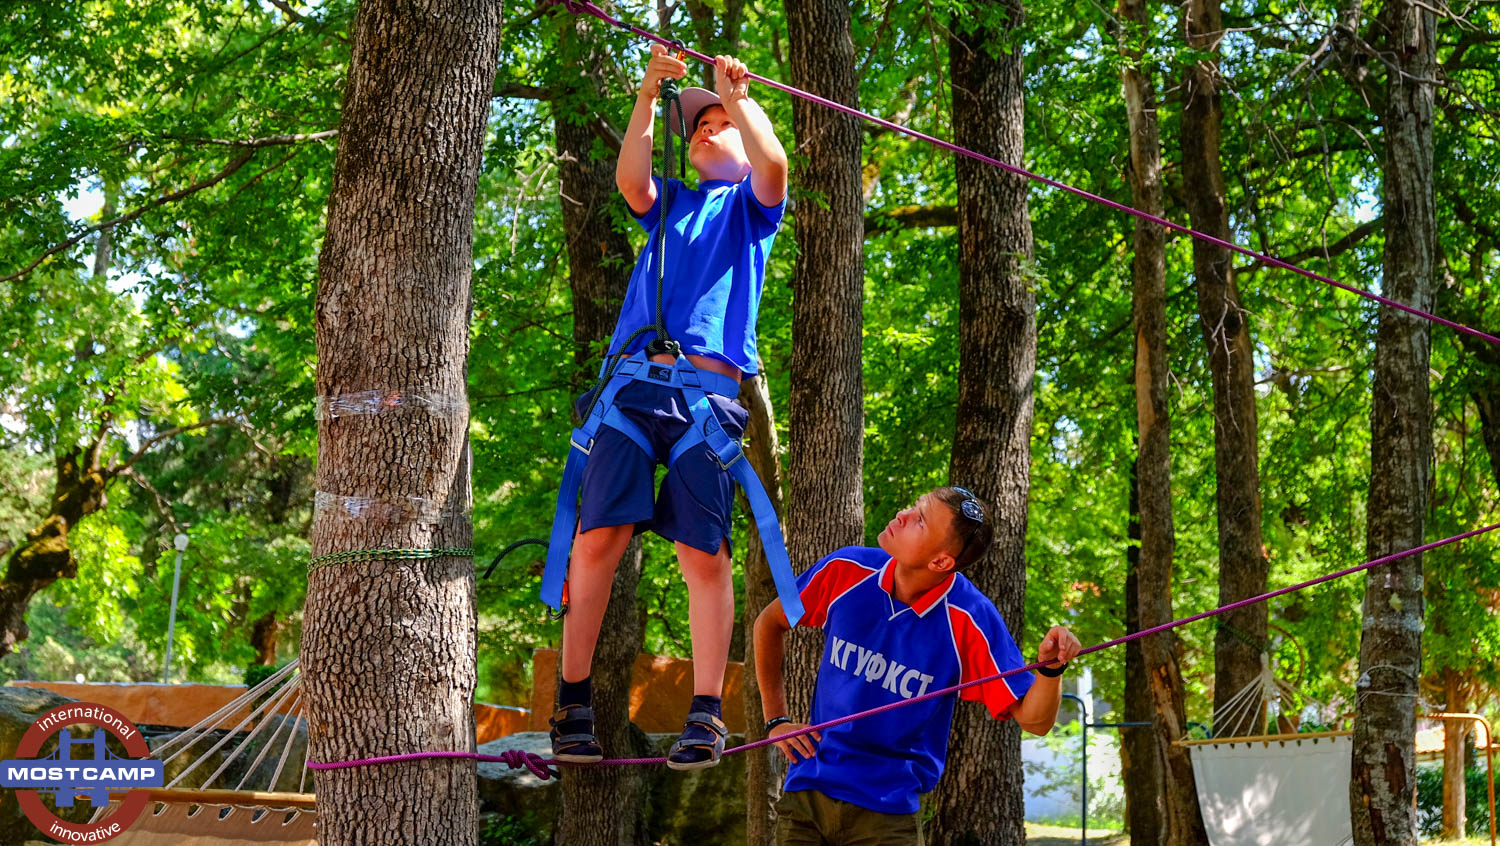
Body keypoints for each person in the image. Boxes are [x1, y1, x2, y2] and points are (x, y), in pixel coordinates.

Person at [547, 44, 789, 772]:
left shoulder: (751, 210)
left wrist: (738, 98)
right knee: (598, 540)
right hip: (631, 390)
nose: (705, 130)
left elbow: (776, 168)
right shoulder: (672, 207)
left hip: (704, 404)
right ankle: (574, 698)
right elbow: (631, 177)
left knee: (701, 554)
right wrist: (651, 92)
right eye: (698, 127)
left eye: (720, 124)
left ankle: (707, 712)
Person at [754, 487, 1083, 844]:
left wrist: (1050, 670)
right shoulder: (845, 569)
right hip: (807, 793)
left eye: (920, 521)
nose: (903, 514)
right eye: (914, 506)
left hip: (888, 815)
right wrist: (776, 720)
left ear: (941, 562)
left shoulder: (970, 618)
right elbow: (769, 623)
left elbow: (1034, 719)